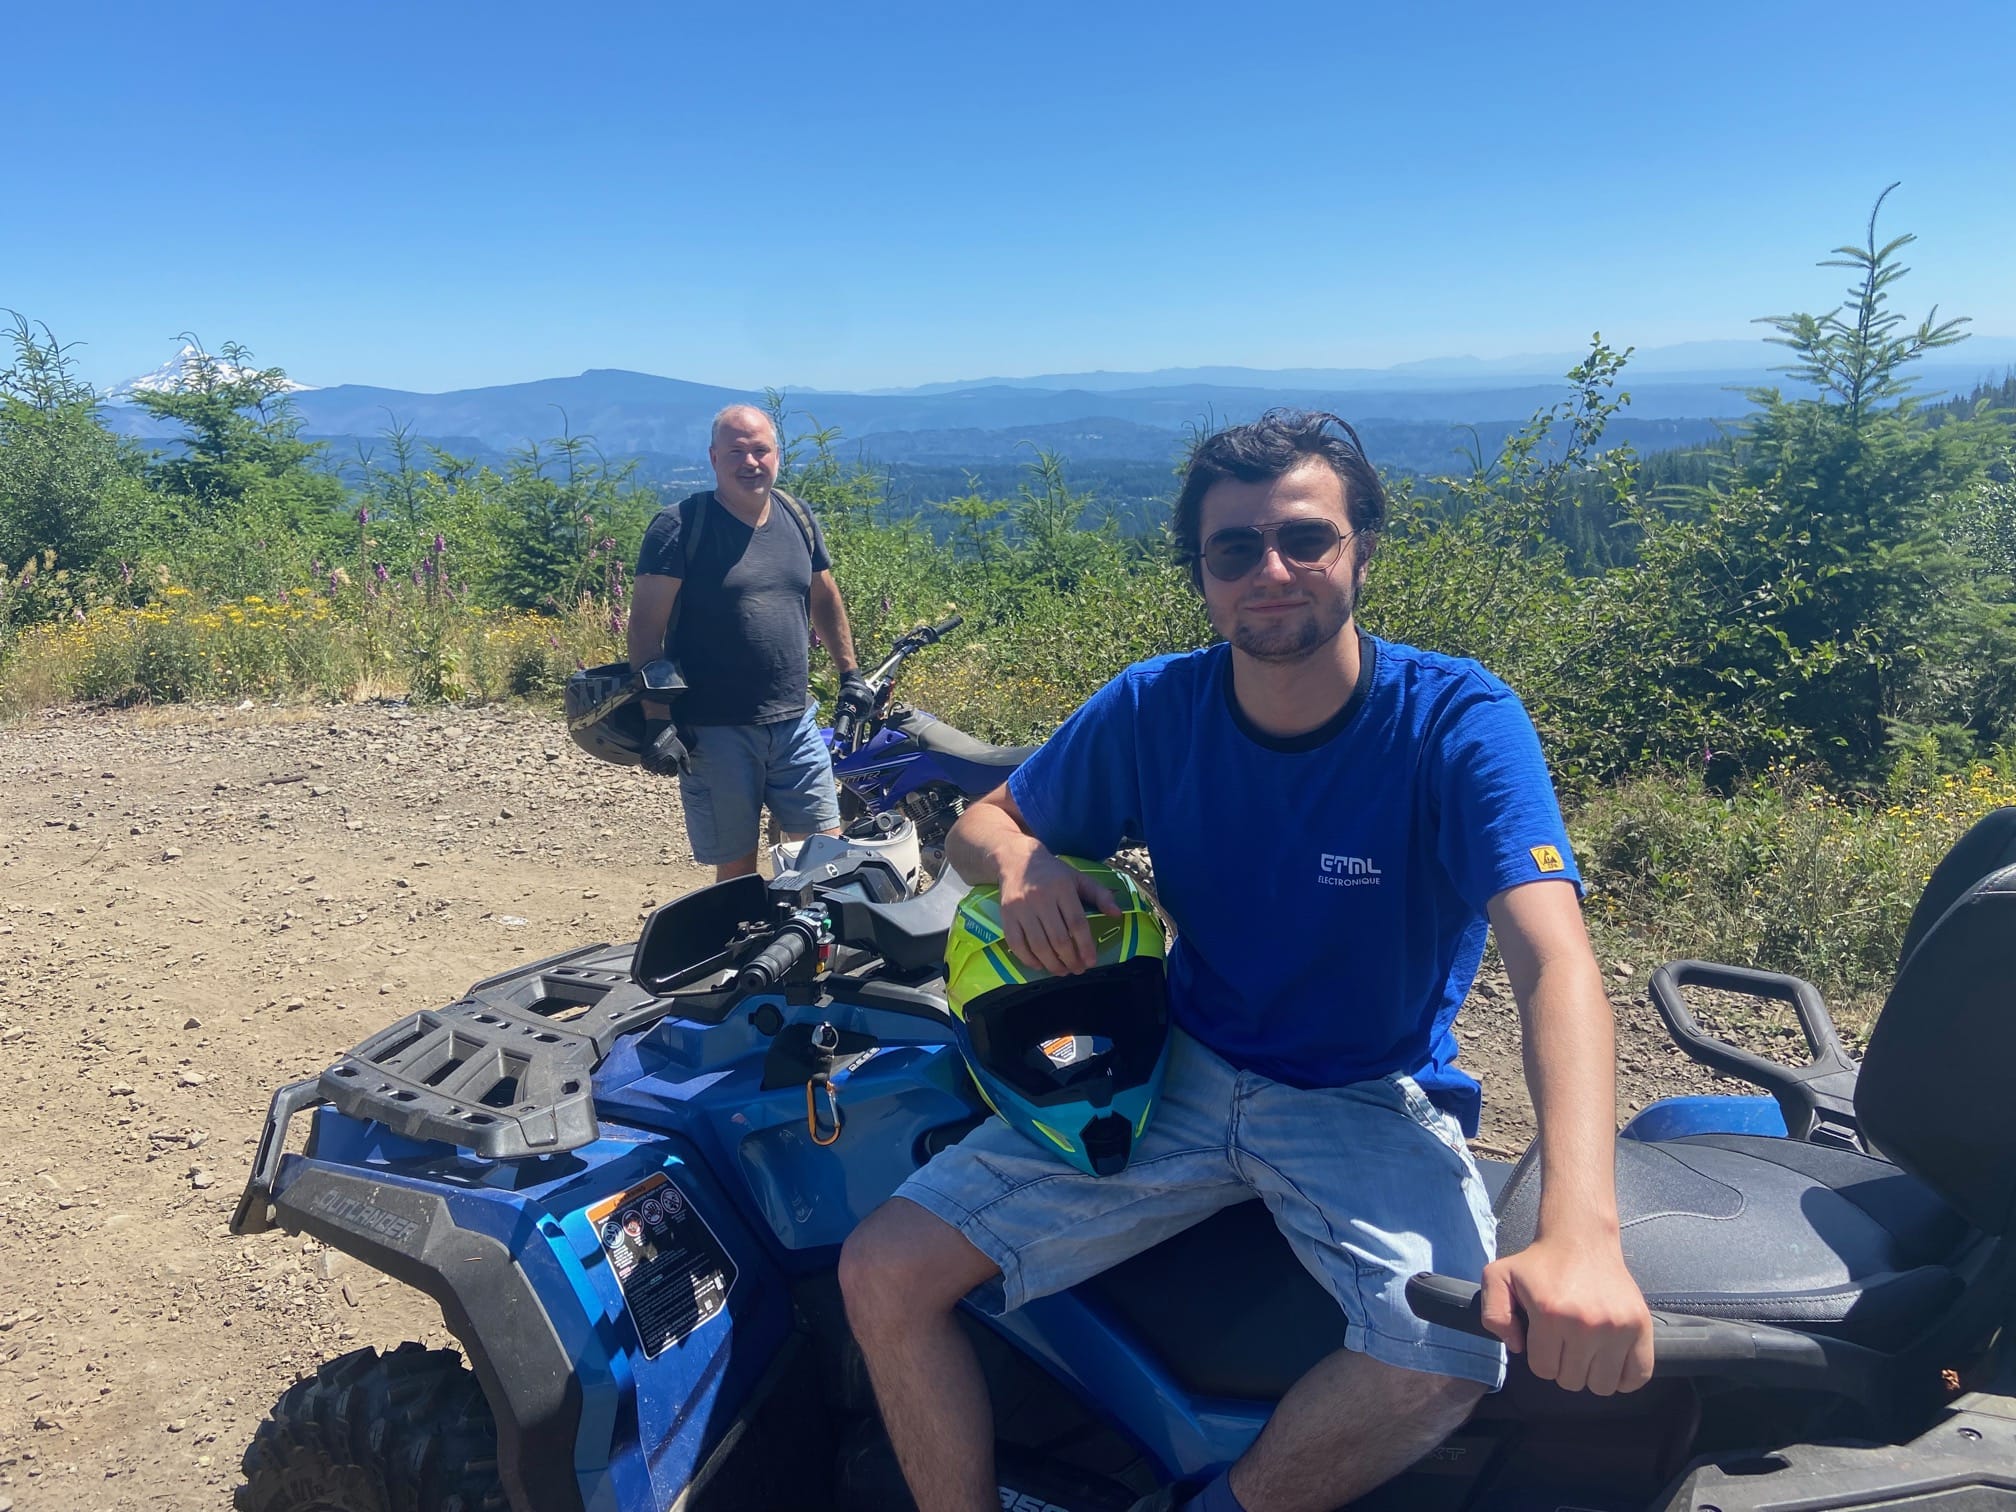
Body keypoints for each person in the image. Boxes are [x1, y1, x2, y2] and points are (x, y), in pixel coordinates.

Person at [837, 410, 1654, 1512]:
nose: (1271, 570)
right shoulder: (1156, 706)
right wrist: (1023, 867)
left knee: (1445, 1355)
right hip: (1176, 1066)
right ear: (1203, 577)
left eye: (1306, 539)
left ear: (1362, 548)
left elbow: (1555, 962)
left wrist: (1580, 1235)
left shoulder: (1455, 721)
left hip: (1362, 1092)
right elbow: (981, 824)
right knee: (882, 1271)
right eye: (1234, 550)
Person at [626, 403, 873, 881]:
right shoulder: (679, 527)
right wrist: (657, 719)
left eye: (760, 450)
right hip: (714, 730)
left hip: (796, 721)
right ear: (713, 458)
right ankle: (738, 953)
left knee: (826, 856)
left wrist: (850, 674)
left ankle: (809, 952)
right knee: (737, 870)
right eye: (736, 451)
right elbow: (644, 630)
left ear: (777, 456)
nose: (750, 462)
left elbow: (824, 596)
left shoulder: (797, 516)